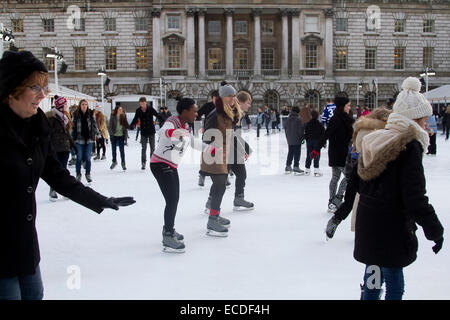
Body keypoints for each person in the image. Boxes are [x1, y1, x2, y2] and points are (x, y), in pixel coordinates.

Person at [0, 50, 135, 300]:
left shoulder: (37, 124)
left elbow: (57, 175)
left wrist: (98, 199)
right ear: (11, 90)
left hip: (25, 246)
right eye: (35, 88)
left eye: (45, 87)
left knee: (34, 294)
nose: (44, 95)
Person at [352, 77, 443, 300]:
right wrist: (434, 230)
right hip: (391, 227)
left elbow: (360, 182)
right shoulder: (408, 145)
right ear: (413, 120)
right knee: (394, 282)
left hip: (370, 223)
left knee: (373, 277)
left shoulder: (377, 138)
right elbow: (414, 196)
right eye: (424, 121)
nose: (426, 126)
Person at [151, 98, 216, 253]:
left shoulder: (185, 125)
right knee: (172, 199)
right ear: (185, 111)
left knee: (174, 199)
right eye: (194, 110)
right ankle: (167, 235)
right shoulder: (173, 121)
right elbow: (162, 131)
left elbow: (193, 142)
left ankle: (169, 229)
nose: (196, 113)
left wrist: (212, 150)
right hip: (160, 164)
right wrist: (172, 132)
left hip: (171, 165)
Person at [325, 107, 392, 240]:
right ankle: (367, 229)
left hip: (358, 167)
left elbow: (354, 148)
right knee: (366, 202)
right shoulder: (377, 130)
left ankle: (337, 219)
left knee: (351, 200)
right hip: (370, 169)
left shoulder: (364, 127)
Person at [200, 82, 242, 237]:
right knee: (220, 185)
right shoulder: (214, 114)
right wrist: (217, 150)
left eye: (234, 95)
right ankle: (212, 221)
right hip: (214, 156)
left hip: (224, 155)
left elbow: (231, 135)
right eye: (230, 96)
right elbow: (206, 138)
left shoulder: (228, 113)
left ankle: (215, 215)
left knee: (221, 186)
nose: (233, 98)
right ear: (223, 97)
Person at [315, 96, 354, 213]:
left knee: (336, 177)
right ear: (342, 107)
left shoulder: (345, 119)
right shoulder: (336, 119)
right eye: (348, 105)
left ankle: (332, 202)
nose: (349, 108)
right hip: (339, 154)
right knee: (349, 177)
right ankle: (336, 199)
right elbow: (326, 134)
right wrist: (316, 149)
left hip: (343, 152)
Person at [227, 91, 254, 211]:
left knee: (242, 174)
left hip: (234, 149)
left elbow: (236, 135)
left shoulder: (238, 113)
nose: (249, 105)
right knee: (221, 179)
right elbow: (231, 134)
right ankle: (211, 202)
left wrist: (245, 148)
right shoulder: (233, 113)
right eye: (248, 103)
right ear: (241, 102)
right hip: (227, 150)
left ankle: (239, 199)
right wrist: (244, 149)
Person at [46, 95, 75, 201]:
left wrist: (73, 147)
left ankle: (63, 190)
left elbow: (67, 134)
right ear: (61, 106)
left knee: (63, 170)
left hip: (65, 148)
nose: (67, 106)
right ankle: (53, 190)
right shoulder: (52, 118)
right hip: (56, 148)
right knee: (56, 170)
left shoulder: (65, 118)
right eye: (65, 104)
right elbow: (49, 134)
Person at [72, 99, 100, 183]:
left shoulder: (91, 114)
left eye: (85, 104)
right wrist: (71, 137)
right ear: (80, 106)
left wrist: (98, 134)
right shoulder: (76, 115)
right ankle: (78, 174)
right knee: (79, 158)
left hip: (89, 139)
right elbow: (73, 127)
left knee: (88, 158)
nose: (84, 106)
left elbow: (94, 125)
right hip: (79, 139)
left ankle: (88, 174)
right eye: (82, 104)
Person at [129, 97, 162, 170]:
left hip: (151, 131)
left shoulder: (150, 108)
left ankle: (152, 162)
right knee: (144, 148)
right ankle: (143, 163)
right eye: (141, 103)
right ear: (139, 103)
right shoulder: (138, 110)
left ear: (146, 102)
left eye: (143, 103)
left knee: (152, 148)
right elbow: (135, 119)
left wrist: (164, 120)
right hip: (143, 131)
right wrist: (131, 125)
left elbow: (157, 115)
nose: (142, 104)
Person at [196, 90, 219, 187]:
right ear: (212, 98)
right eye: (215, 99)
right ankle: (202, 176)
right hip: (207, 134)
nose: (217, 100)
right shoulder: (207, 106)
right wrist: (199, 127)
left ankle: (223, 177)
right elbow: (197, 115)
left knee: (220, 156)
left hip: (219, 134)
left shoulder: (223, 107)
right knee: (205, 156)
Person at [284, 106, 305, 175]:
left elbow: (285, 128)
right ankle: (296, 166)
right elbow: (300, 130)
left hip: (290, 138)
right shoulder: (298, 119)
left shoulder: (288, 118)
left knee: (290, 152)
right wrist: (302, 138)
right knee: (297, 153)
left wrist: (288, 137)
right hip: (297, 139)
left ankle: (288, 165)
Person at [304, 109, 325, 177]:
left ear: (311, 116)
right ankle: (316, 169)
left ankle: (307, 169)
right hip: (317, 141)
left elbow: (306, 133)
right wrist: (323, 142)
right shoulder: (320, 124)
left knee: (309, 154)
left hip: (310, 141)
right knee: (316, 154)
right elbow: (323, 134)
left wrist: (307, 140)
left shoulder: (308, 124)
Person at [109, 104, 130, 170]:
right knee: (113, 150)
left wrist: (126, 136)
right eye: (119, 109)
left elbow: (126, 126)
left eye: (121, 109)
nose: (121, 110)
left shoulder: (123, 116)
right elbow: (109, 126)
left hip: (121, 136)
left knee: (122, 150)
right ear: (117, 110)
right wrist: (111, 134)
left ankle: (123, 163)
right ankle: (114, 161)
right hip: (114, 136)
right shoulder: (113, 116)